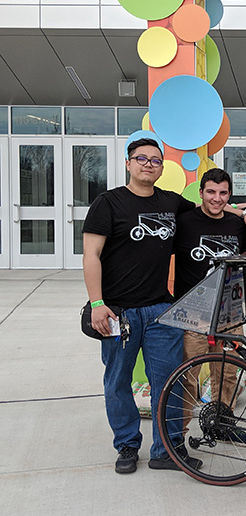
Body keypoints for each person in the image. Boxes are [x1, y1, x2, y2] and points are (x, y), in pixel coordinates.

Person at [82, 137, 201, 474]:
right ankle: (127, 445)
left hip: (161, 311)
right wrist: (97, 304)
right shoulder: (108, 203)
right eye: (142, 159)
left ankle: (167, 450)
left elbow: (210, 214)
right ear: (128, 163)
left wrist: (243, 214)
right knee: (118, 381)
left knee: (169, 381)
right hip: (118, 312)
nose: (149, 164)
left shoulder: (172, 203)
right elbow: (90, 256)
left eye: (155, 160)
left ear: (162, 167)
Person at [173, 168, 246, 446]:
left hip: (228, 314)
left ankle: (223, 424)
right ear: (201, 193)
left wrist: (243, 213)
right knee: (187, 377)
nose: (216, 198)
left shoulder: (237, 225)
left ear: (229, 195)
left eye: (222, 193)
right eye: (211, 192)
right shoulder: (184, 222)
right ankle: (177, 435)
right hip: (192, 314)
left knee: (228, 372)